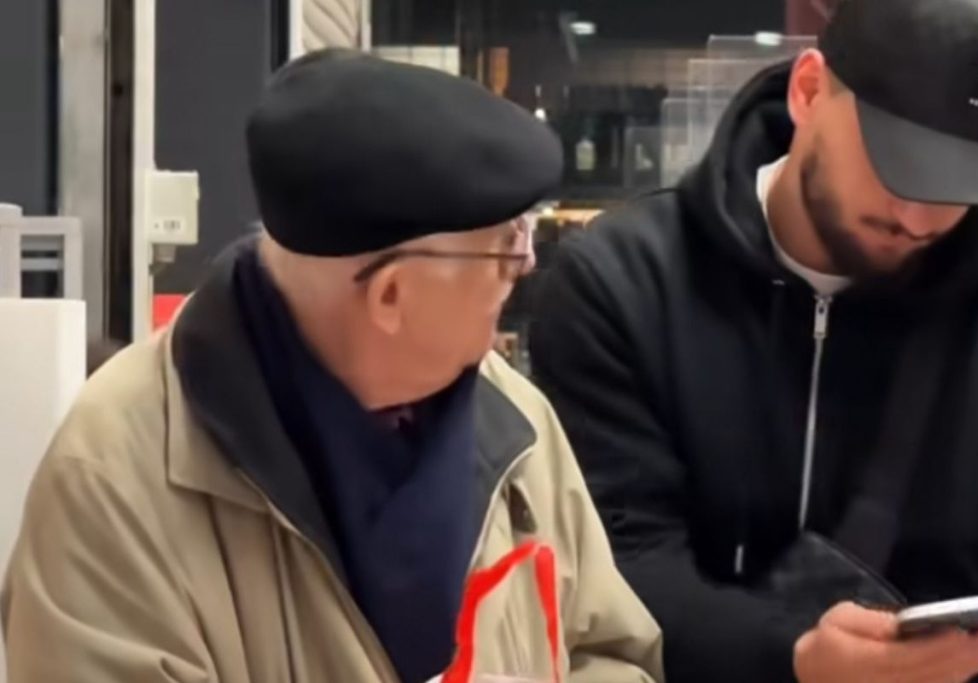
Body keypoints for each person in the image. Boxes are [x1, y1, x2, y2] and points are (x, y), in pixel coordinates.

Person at [1, 49, 663, 683]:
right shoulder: (116, 478)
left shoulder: (516, 422)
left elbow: (611, 654)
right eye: (502, 247)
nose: (526, 265)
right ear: (391, 295)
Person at [529, 0, 978, 681]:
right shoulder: (621, 284)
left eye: (957, 182)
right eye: (897, 164)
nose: (917, 218)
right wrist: (792, 659)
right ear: (809, 91)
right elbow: (613, 565)